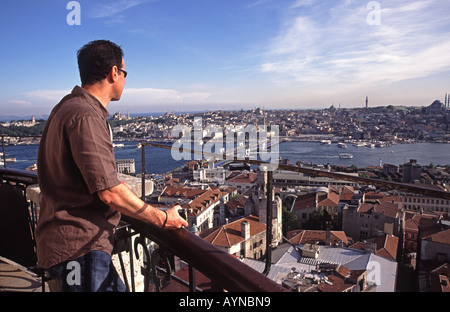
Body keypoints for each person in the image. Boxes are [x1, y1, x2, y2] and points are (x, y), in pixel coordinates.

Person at [36, 40, 188, 292]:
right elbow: (108, 190)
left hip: (68, 247)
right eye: (125, 73)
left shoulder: (64, 107)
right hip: (80, 249)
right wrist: (161, 218)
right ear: (114, 72)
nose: (125, 80)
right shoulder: (86, 115)